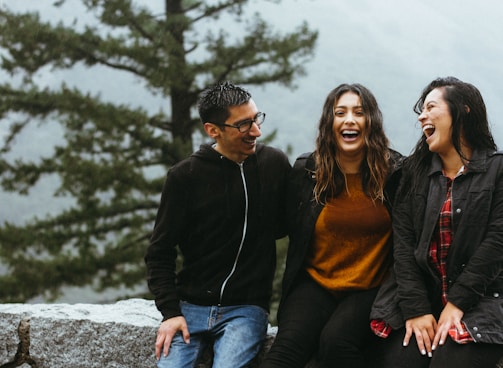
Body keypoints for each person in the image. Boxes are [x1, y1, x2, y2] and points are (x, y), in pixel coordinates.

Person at [144, 80, 291, 368]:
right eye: (244, 125)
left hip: (246, 309)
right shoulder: (185, 176)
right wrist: (171, 312)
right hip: (189, 308)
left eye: (256, 119)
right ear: (213, 130)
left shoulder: (273, 164)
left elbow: (292, 224)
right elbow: (159, 252)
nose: (257, 131)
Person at [260, 83, 403, 368]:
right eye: (341, 113)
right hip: (316, 283)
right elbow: (275, 228)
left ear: (370, 122)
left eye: (359, 113)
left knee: (336, 343)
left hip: (371, 287)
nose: (349, 119)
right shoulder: (307, 172)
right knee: (286, 351)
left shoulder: (396, 174)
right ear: (330, 122)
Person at [371, 76, 503, 368]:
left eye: (431, 107)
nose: (421, 116)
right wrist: (417, 309)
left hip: (484, 303)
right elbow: (403, 248)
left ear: (463, 111)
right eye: (421, 110)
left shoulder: (497, 170)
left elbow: (497, 243)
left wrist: (457, 304)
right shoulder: (412, 175)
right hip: (426, 303)